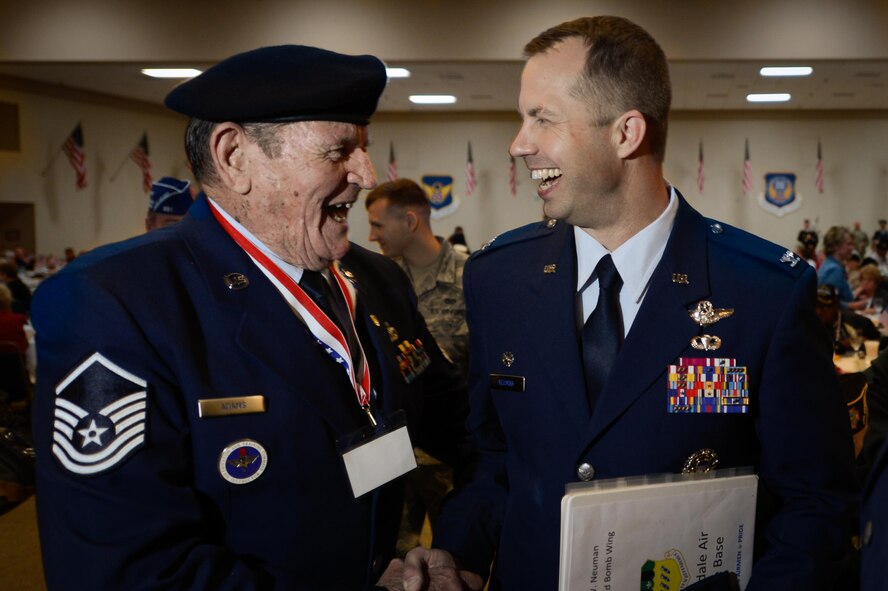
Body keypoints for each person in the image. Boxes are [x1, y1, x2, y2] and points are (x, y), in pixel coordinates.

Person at [406, 16, 856, 591]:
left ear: (626, 133)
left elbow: (815, 503)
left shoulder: (763, 291)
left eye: (541, 118)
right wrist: (457, 551)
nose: (519, 144)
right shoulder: (498, 279)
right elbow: (495, 459)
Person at [31, 45, 468, 590]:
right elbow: (127, 568)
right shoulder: (114, 302)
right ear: (234, 156)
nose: (368, 174)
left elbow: (463, 427)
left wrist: (457, 542)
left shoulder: (377, 280)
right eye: (340, 151)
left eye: (364, 148)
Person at [365, 178, 470, 555]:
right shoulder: (376, 283)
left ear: (410, 221)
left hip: (449, 450)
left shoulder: (470, 277)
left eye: (378, 224)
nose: (371, 234)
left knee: (455, 558)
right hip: (394, 449)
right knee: (389, 557)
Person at [818, 226, 857, 307]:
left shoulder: (829, 264)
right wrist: (853, 305)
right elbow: (827, 301)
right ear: (836, 246)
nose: (852, 248)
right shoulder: (834, 269)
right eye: (849, 244)